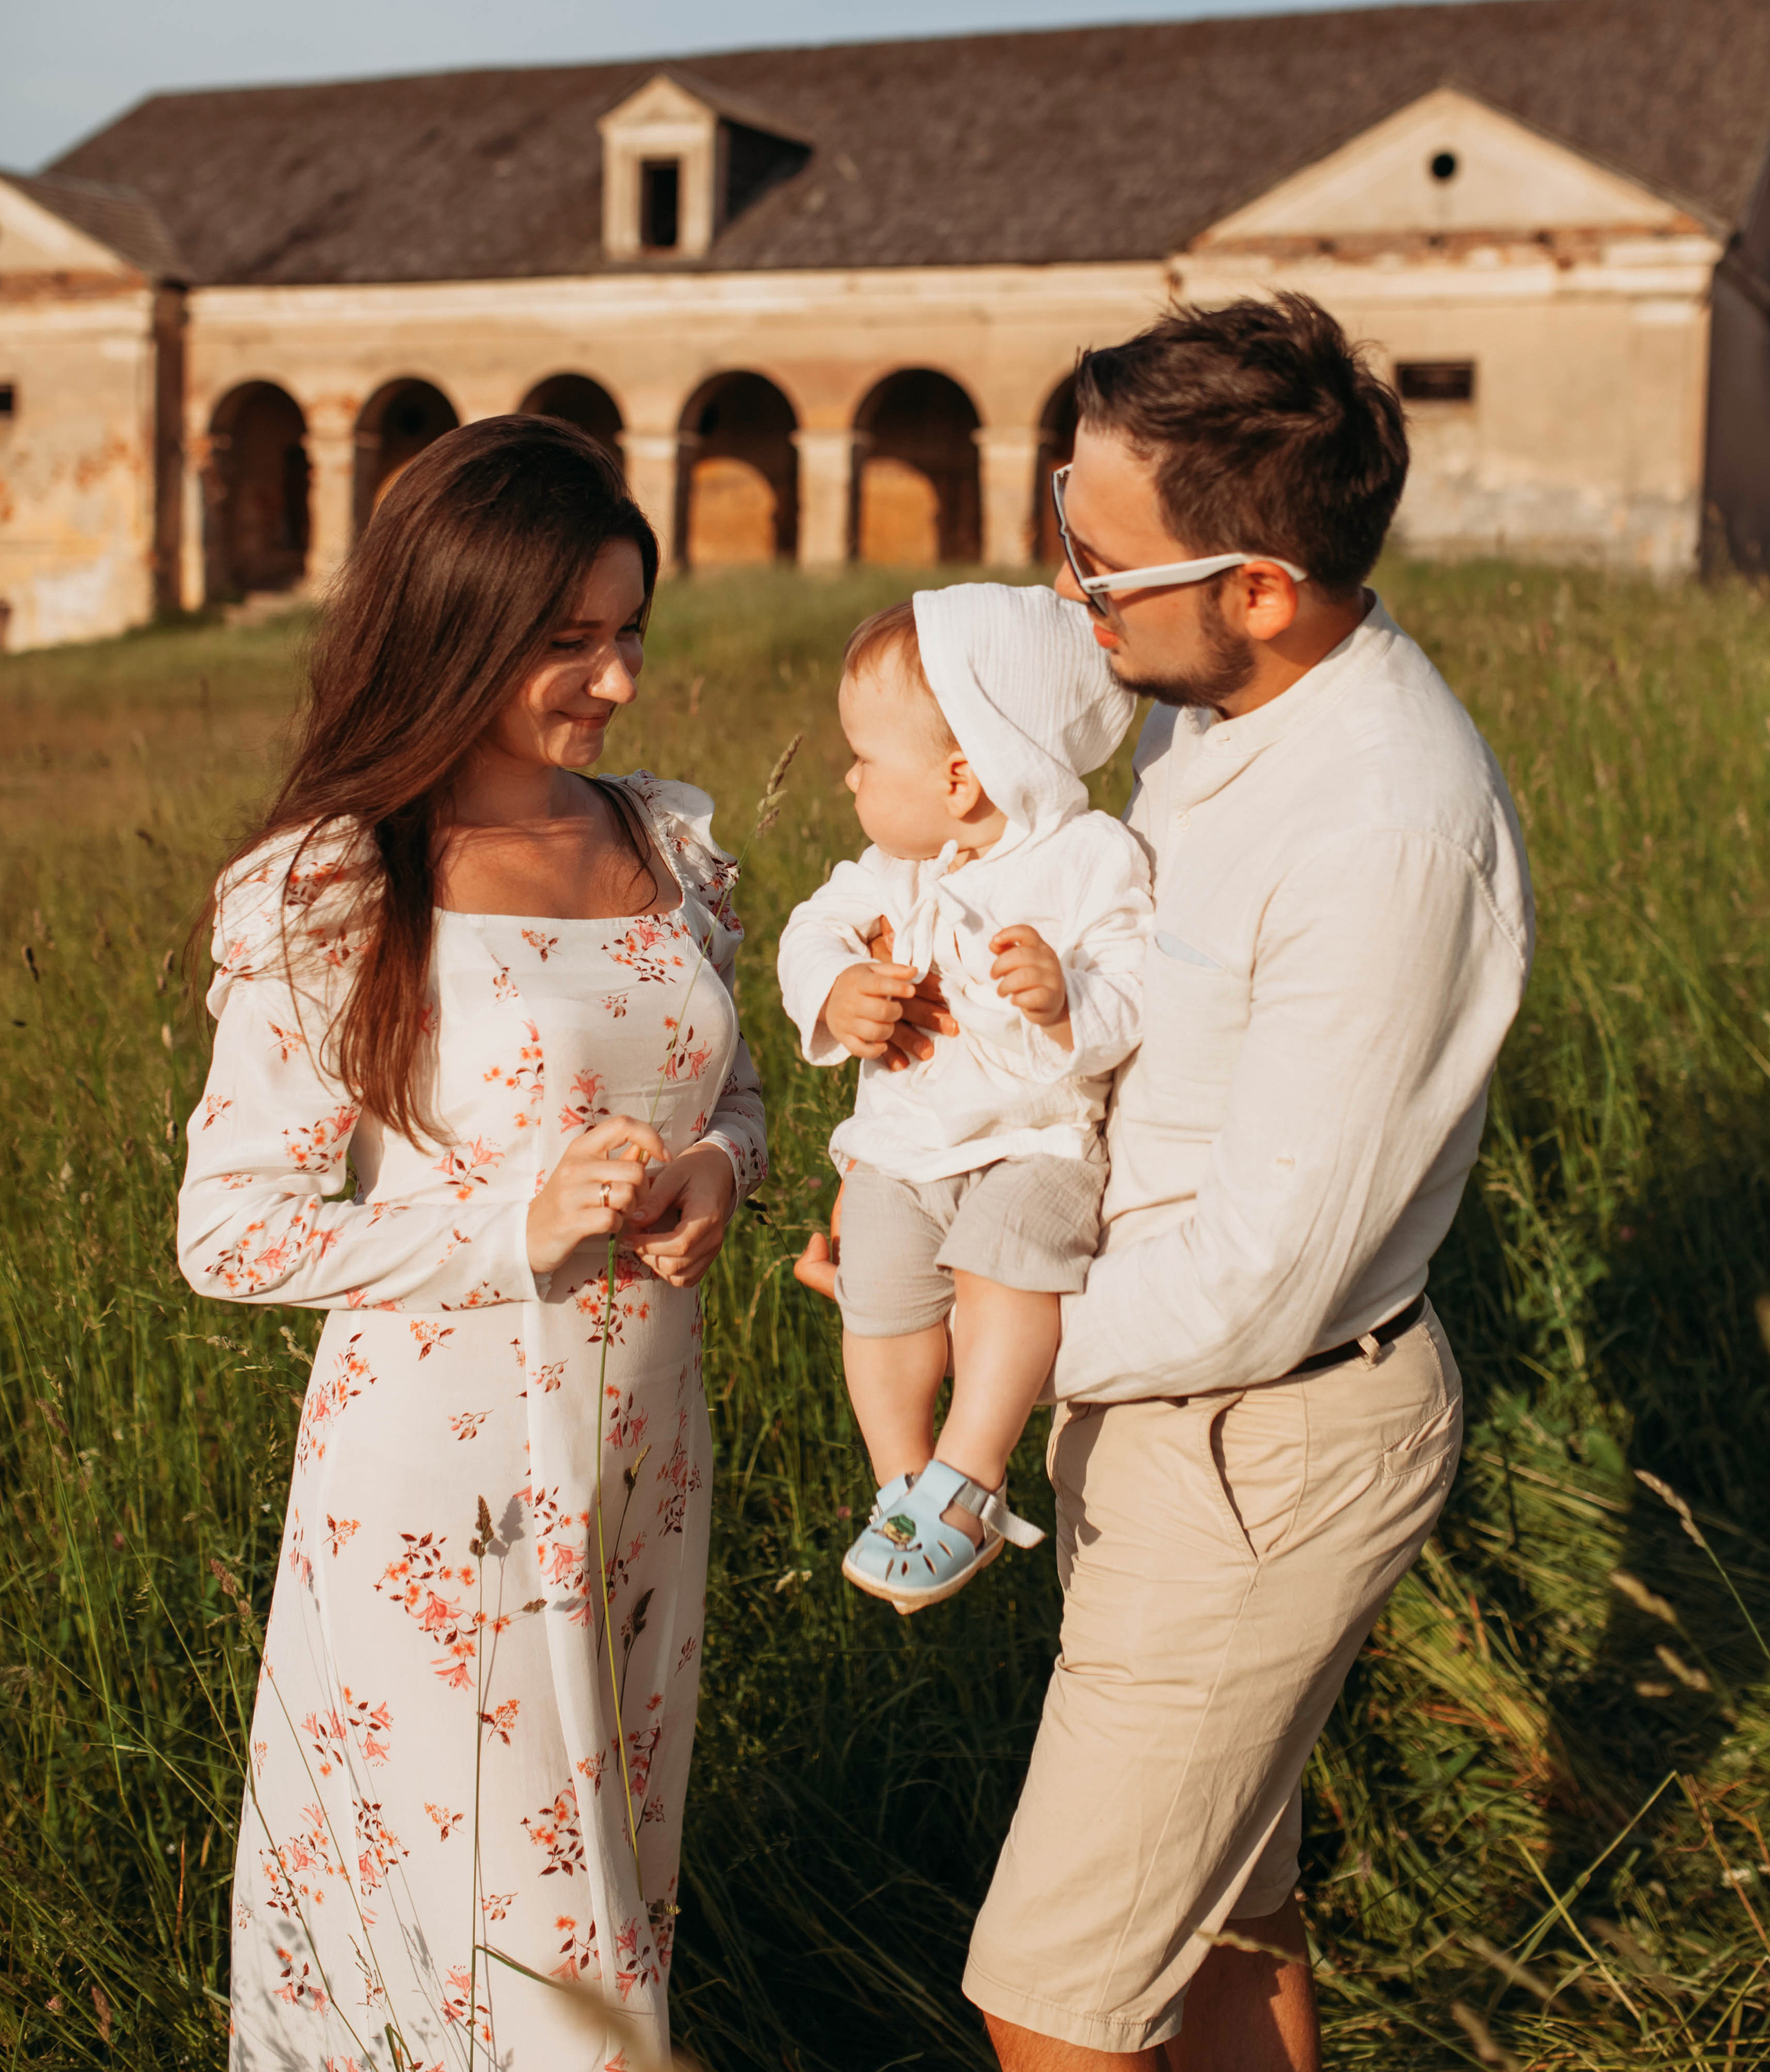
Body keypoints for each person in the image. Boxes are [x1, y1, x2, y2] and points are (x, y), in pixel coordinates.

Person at [805, 295, 1533, 2071]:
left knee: (1046, 1994)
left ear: (1262, 583)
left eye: (1103, 567)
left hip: (1255, 1439)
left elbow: (1262, 1273)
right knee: (1221, 1911)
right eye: (1068, 533)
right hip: (1156, 1417)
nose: (1071, 594)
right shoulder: (1210, 719)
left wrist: (983, 1336)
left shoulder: (1378, 827)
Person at [178, 416, 767, 2071]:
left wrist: (720, 1171)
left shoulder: (665, 840)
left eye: (627, 630)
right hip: (444, 1493)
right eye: (564, 641)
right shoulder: (338, 882)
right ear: (450, 625)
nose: (614, 681)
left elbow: (732, 1096)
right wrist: (505, 1223)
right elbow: (230, 1230)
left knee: (609, 1901)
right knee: (501, 1951)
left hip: (647, 1463)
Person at [777, 585, 1151, 1609]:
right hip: (903, 1150)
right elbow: (810, 931)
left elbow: (1132, 985)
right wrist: (836, 989)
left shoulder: (1090, 859)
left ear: (960, 776)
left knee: (1007, 1269)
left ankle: (972, 1474)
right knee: (881, 1294)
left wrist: (1066, 997)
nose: (849, 775)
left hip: (1036, 1141)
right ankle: (901, 1479)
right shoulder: (893, 869)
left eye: (865, 757)